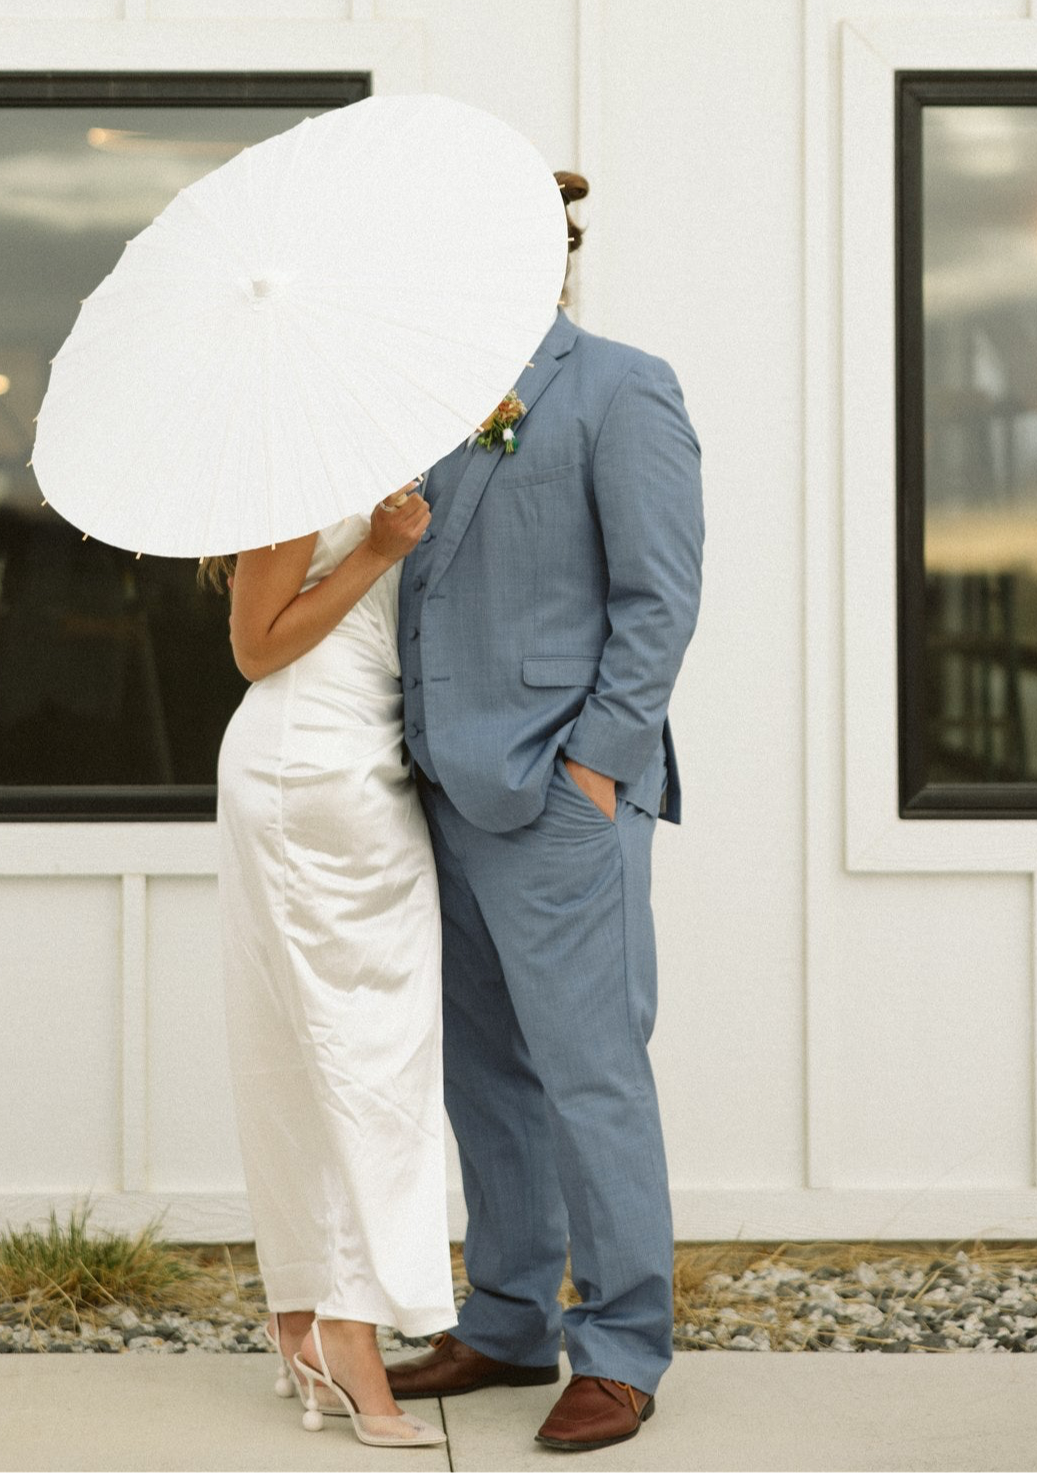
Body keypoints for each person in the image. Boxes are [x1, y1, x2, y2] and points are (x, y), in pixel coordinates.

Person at [385, 170, 705, 1455]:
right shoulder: (413, 400)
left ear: (547, 254)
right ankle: (510, 1318)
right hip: (437, 794)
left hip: (560, 797)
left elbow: (658, 602)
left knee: (589, 1077)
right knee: (487, 1077)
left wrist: (595, 771)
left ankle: (622, 1346)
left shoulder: (621, 387)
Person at [213, 488, 454, 1449]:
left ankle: (302, 1311)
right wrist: (380, 551)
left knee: (304, 1051)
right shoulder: (295, 474)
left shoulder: (369, 450)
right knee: (374, 1052)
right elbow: (255, 647)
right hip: (314, 770)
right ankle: (347, 1329)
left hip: (349, 757)